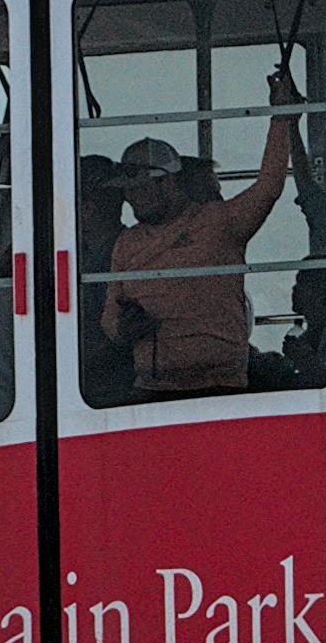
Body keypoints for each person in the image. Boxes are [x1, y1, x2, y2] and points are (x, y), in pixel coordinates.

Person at [103, 70, 306, 398]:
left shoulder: (221, 223)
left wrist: (281, 118)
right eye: (127, 189)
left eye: (140, 188)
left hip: (220, 388)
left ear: (168, 182)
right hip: (152, 391)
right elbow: (110, 320)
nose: (131, 197)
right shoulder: (126, 243)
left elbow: (269, 186)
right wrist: (125, 327)